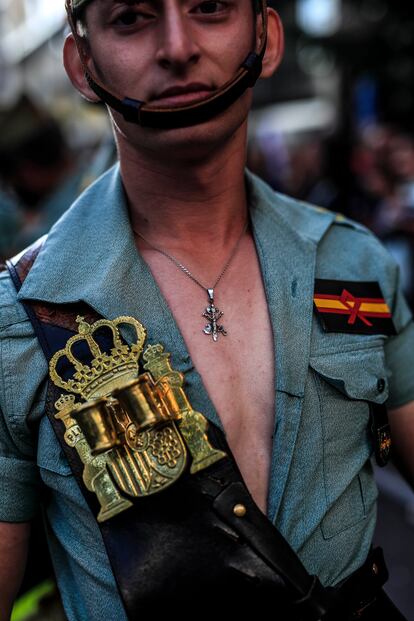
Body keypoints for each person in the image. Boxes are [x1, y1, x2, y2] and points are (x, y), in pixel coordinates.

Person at [0, 0, 414, 619]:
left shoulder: (353, 265)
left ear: (266, 39)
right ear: (82, 64)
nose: (177, 46)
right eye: (132, 18)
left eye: (211, 7)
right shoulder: (19, 316)